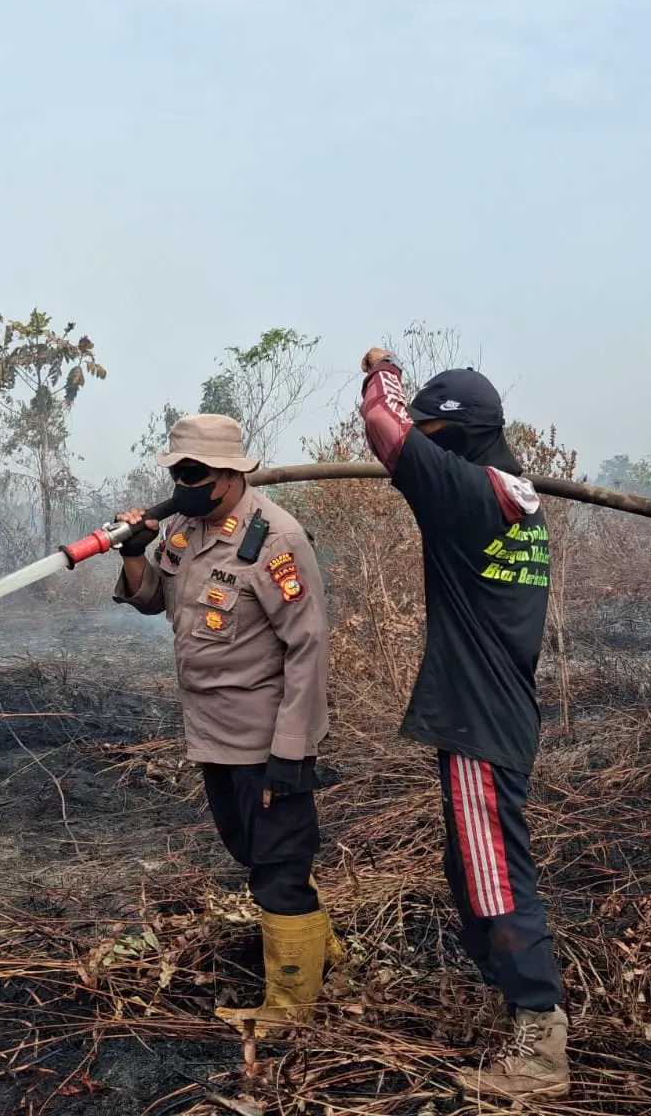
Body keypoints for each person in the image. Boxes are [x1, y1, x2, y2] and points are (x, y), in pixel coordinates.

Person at [358, 347, 569, 1099]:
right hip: (493, 709)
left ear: (456, 435)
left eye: (432, 431)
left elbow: (382, 425)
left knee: (495, 875)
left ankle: (540, 1040)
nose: (422, 441)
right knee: (469, 867)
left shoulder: (470, 493)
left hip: (480, 717)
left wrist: (382, 366)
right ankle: (510, 999)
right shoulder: (513, 495)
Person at [114, 412, 335, 1031]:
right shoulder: (185, 528)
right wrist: (133, 552)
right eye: (177, 473)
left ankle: (290, 1010)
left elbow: (308, 647)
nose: (183, 485)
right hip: (211, 733)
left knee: (279, 865)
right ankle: (323, 961)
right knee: (253, 851)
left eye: (195, 474)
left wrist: (291, 750)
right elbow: (153, 597)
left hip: (265, 737)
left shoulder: (276, 540)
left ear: (232, 474)